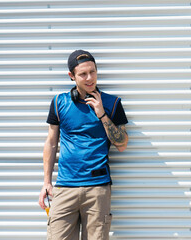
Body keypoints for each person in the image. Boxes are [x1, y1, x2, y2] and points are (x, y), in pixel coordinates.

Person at [38, 50, 128, 240]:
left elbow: (122, 144)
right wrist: (46, 182)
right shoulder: (58, 103)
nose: (90, 78)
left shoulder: (112, 103)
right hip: (65, 187)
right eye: (83, 74)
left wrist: (102, 113)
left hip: (97, 189)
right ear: (71, 76)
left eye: (93, 72)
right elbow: (51, 143)